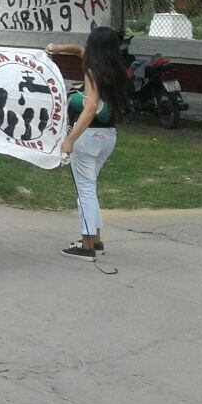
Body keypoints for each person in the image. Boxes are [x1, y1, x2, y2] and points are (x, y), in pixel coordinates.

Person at [48, 28, 128, 260]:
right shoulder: (116, 70)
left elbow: (90, 107)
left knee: (84, 191)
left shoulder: (92, 71)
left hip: (88, 138)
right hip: (108, 137)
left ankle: (86, 246)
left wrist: (69, 140)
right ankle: (96, 240)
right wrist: (58, 48)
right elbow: (78, 51)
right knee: (90, 189)